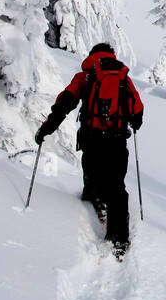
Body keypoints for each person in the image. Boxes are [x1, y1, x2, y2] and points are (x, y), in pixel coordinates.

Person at [36, 43, 144, 257]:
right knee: (116, 185)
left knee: (92, 171)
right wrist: (132, 122)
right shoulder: (123, 78)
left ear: (93, 56)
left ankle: (93, 196)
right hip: (117, 140)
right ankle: (119, 238)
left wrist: (46, 128)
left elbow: (64, 103)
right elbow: (138, 111)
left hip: (92, 138)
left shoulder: (85, 77)